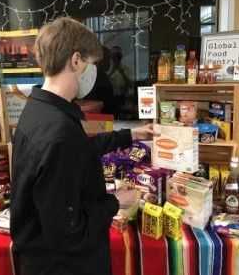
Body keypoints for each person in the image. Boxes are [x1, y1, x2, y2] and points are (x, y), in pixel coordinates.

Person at [10, 16, 159, 275]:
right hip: (66, 265)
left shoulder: (39, 109)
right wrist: (115, 202)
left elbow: (81, 149)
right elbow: (70, 230)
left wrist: (132, 134)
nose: (94, 72)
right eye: (92, 63)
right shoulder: (58, 133)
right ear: (76, 60)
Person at [83, 45, 115, 114]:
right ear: (98, 61)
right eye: (107, 60)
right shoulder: (101, 78)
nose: (109, 63)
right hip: (100, 118)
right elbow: (108, 104)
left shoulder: (89, 76)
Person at [107, 45, 134, 118]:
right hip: (110, 102)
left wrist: (123, 74)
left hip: (124, 102)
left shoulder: (127, 69)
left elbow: (130, 85)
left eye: (118, 54)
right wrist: (111, 72)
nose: (116, 57)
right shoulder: (107, 69)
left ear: (121, 55)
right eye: (114, 55)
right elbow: (102, 81)